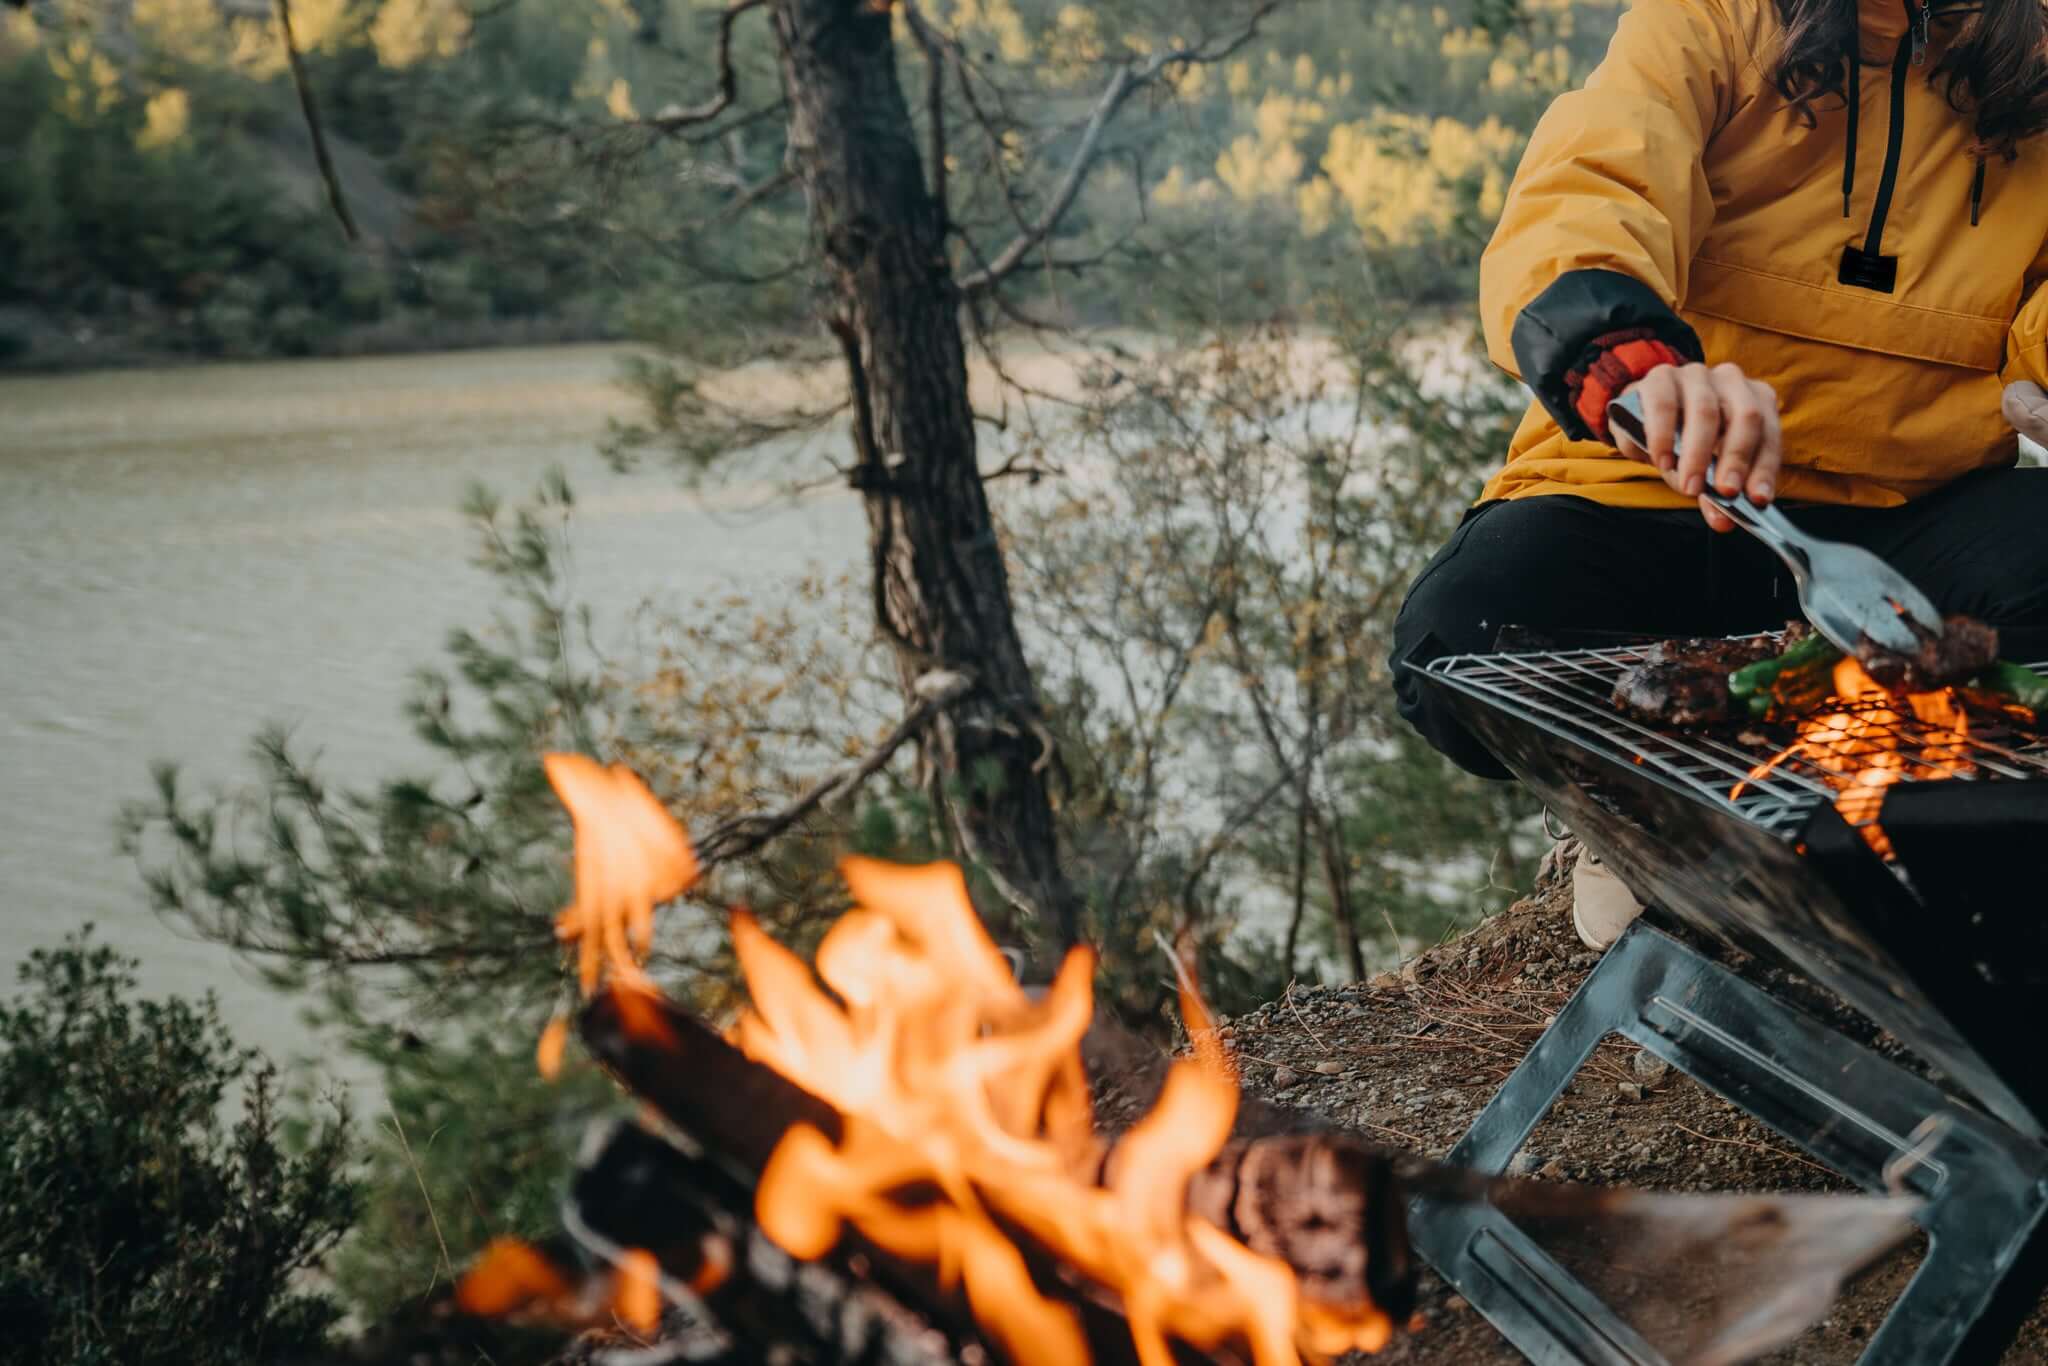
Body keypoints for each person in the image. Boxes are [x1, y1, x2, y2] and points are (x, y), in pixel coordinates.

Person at [1390, 0, 2048, 948]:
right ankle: (1638, 818)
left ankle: (1901, 806)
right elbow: (1594, 187)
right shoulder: (1713, 17)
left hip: (1911, 516)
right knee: (1465, 639)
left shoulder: (2032, 58)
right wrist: (1631, 363)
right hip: (1647, 488)